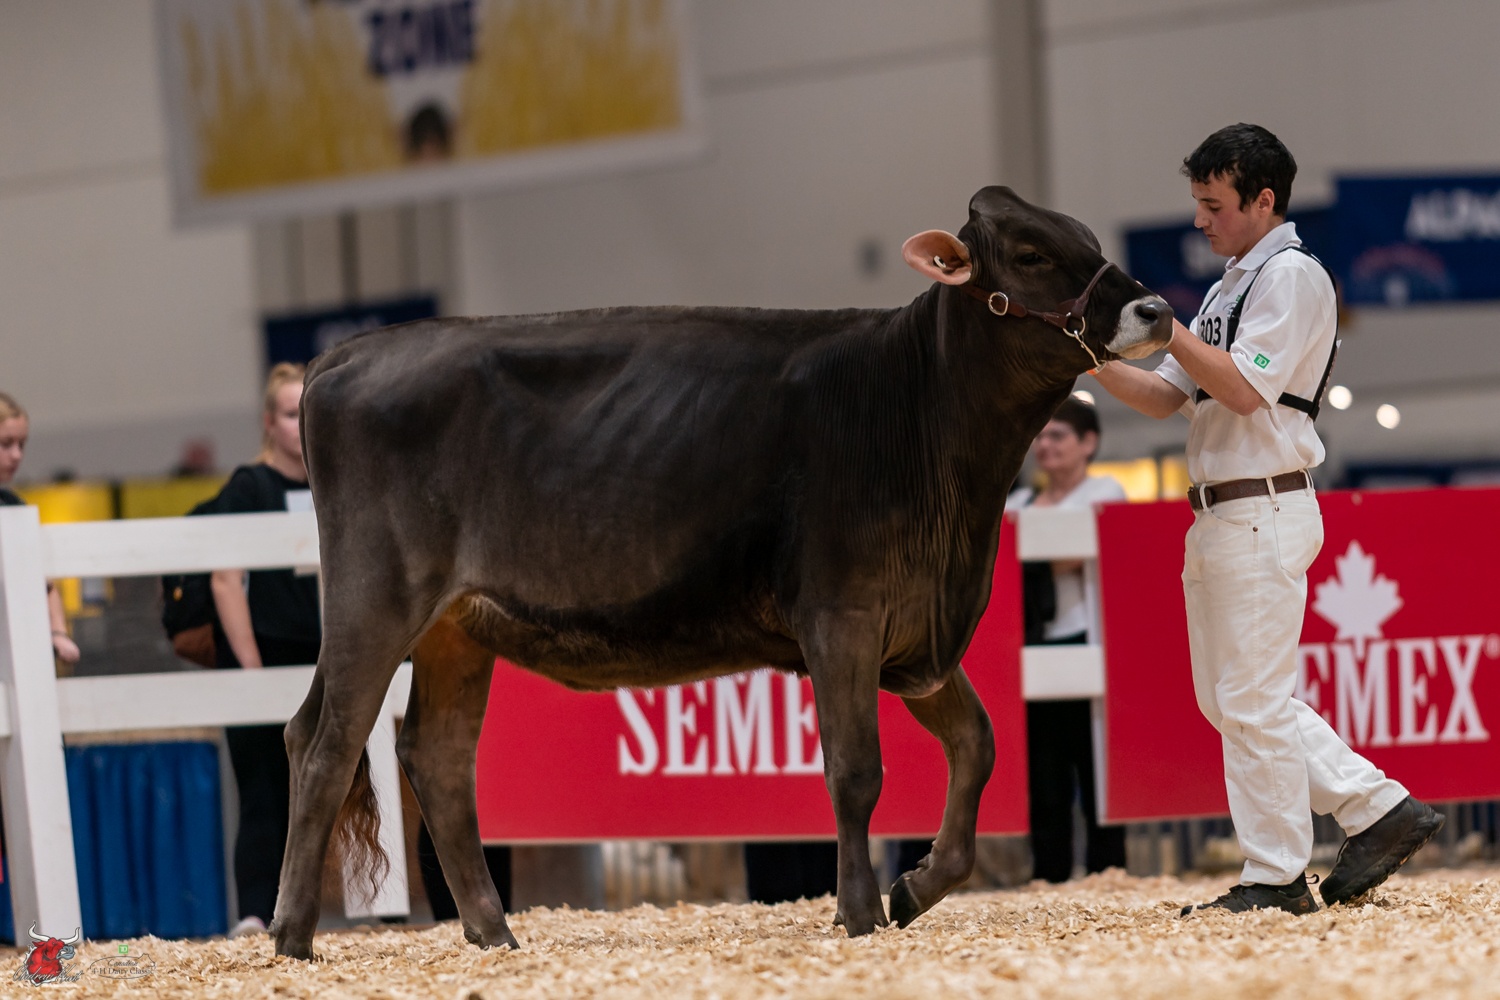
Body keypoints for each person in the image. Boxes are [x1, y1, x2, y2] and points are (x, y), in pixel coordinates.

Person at [1091, 123, 1442, 915]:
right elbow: (1164, 395)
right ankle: (1377, 808)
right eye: (1197, 203)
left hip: (1263, 502)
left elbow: (1246, 391)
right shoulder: (1228, 287)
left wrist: (1169, 329)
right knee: (1234, 702)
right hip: (1224, 509)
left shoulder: (1291, 277)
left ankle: (1277, 873)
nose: (1199, 220)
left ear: (1262, 200)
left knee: (1249, 700)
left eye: (1213, 205)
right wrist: (1088, 355)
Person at [210, 364, 321, 938]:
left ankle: (370, 907)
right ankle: (256, 911)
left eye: (308, 412)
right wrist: (251, 668)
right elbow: (225, 578)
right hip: (263, 654)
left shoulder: (337, 484)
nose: (299, 424)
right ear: (268, 422)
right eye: (289, 413)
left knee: (336, 784)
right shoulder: (248, 486)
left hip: (326, 656)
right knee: (262, 789)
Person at [1006, 396, 1127, 883]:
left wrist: (1029, 556)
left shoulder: (1106, 490)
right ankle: (1049, 877)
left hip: (1092, 643)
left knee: (1097, 768)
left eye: (1057, 435)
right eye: (1039, 435)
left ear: (1088, 443)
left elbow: (1081, 552)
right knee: (1044, 776)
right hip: (1032, 646)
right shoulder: (1016, 503)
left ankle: (1108, 875)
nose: (1045, 445)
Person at [0, 392, 81, 667]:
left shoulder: (13, 506)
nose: (16, 455)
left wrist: (58, 633)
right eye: (6, 444)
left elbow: (44, 582)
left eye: (21, 445)